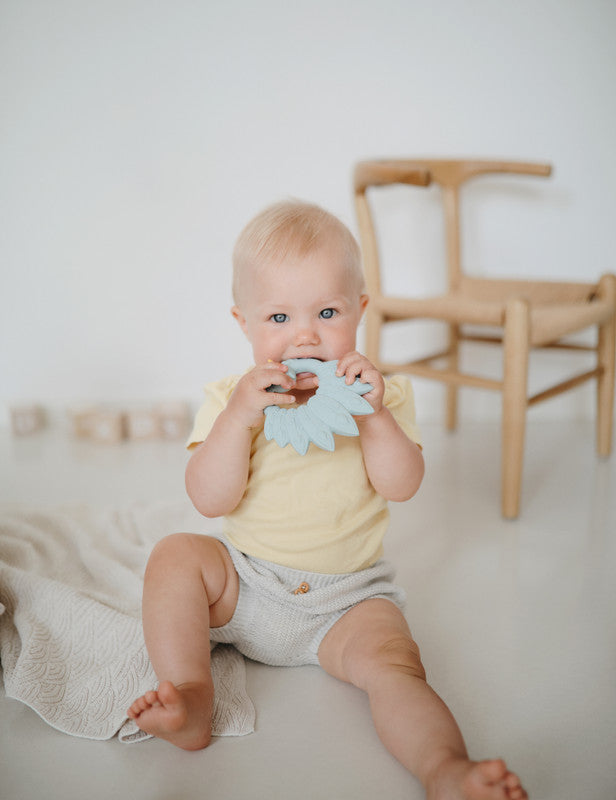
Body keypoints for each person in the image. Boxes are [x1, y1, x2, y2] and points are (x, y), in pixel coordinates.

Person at [127, 201, 527, 800]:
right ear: (244, 323)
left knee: (397, 667)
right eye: (280, 316)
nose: (305, 335)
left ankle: (445, 769)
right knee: (175, 556)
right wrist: (239, 418)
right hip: (248, 583)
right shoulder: (233, 399)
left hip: (349, 600)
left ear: (360, 312)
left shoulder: (382, 396)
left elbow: (402, 484)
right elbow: (209, 499)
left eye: (328, 312)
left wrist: (373, 417)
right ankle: (191, 694)